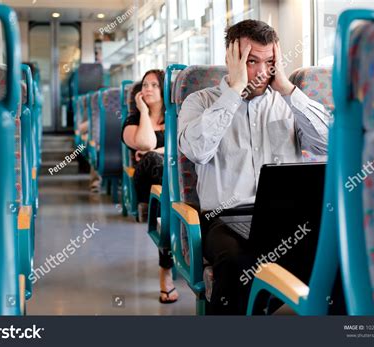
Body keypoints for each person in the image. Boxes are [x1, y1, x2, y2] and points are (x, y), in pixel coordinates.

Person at [178, 19, 331, 314]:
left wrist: (287, 88)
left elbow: (328, 144)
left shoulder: (287, 102)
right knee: (237, 261)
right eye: (251, 61)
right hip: (224, 219)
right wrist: (233, 93)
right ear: (230, 59)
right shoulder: (199, 102)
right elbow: (197, 150)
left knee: (338, 249)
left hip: (285, 219)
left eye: (270, 62)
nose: (262, 72)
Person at [122, 69, 179, 304]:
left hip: (174, 184)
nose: (148, 89)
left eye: (155, 85)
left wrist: (156, 151)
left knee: (158, 161)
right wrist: (144, 111)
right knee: (155, 162)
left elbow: (183, 147)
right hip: (146, 182)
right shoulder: (133, 119)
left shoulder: (176, 116)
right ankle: (165, 272)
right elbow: (145, 142)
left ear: (165, 89)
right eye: (145, 85)